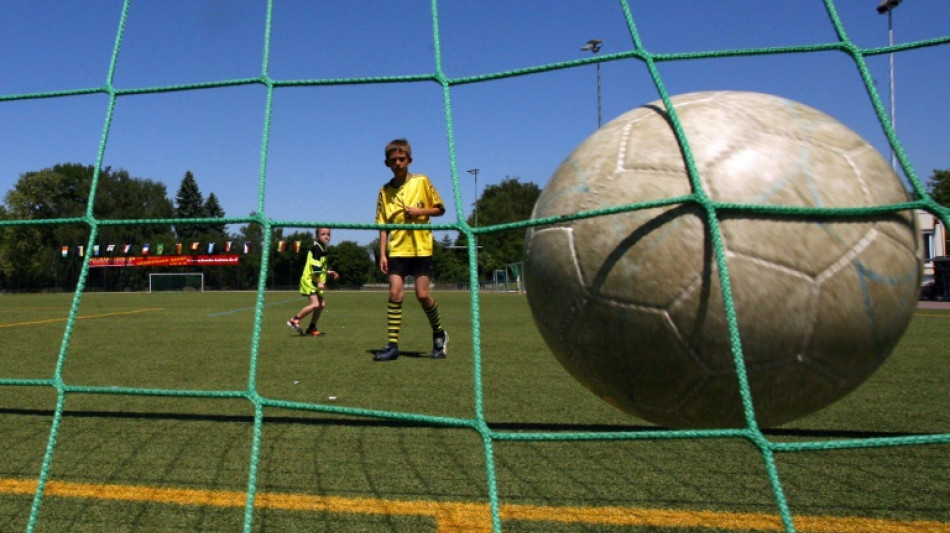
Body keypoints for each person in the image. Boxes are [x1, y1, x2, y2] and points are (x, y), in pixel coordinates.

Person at [373, 138, 448, 361]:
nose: (398, 163)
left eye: (401, 159)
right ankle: (393, 345)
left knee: (422, 295)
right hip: (397, 249)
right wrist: (383, 254)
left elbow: (440, 209)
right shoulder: (384, 191)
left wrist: (418, 211)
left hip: (421, 247)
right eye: (393, 160)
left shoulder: (422, 182)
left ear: (409, 160)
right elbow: (383, 226)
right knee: (395, 293)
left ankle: (439, 333)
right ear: (386, 163)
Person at [287, 227, 339, 336]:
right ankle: (295, 319)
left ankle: (312, 327)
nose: (326, 236)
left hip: (315, 281)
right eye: (323, 234)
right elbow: (315, 267)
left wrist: (328, 272)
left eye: (328, 234)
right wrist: (319, 281)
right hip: (310, 281)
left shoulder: (323, 249)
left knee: (321, 304)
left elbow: (320, 266)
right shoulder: (316, 248)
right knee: (315, 304)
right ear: (317, 236)